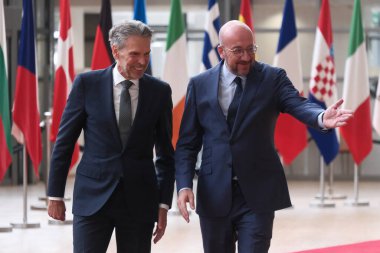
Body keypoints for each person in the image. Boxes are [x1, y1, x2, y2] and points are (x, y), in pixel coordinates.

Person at [175, 20, 353, 253]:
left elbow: (298, 104)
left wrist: (320, 117)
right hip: (214, 191)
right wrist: (184, 185)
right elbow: (188, 143)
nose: (247, 57)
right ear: (221, 50)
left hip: (257, 192)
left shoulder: (273, 78)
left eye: (251, 49)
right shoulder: (199, 84)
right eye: (238, 51)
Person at [47, 20, 175, 253]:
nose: (143, 61)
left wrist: (163, 203)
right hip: (92, 198)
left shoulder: (160, 92)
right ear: (116, 51)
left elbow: (166, 154)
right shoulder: (87, 84)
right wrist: (55, 194)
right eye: (135, 54)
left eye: (146, 53)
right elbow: (65, 142)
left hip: (140, 201)